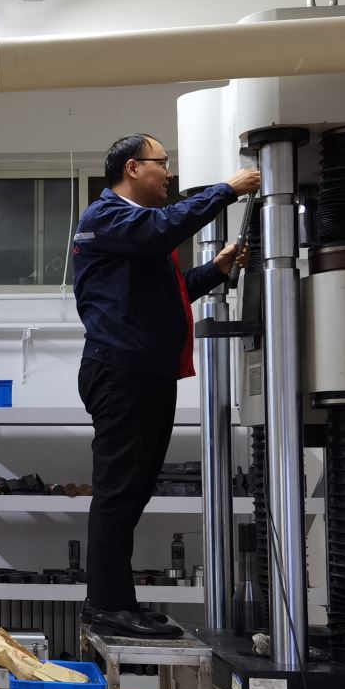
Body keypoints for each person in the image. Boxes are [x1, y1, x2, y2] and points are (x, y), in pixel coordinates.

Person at [71, 134, 259, 638]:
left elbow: (167, 296)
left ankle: (114, 602)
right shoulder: (108, 217)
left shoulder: (132, 231)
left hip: (145, 373)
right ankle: (107, 606)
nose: (169, 174)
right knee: (119, 493)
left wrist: (216, 270)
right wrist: (226, 190)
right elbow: (162, 228)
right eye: (162, 163)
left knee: (132, 493)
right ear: (133, 168)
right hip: (122, 374)